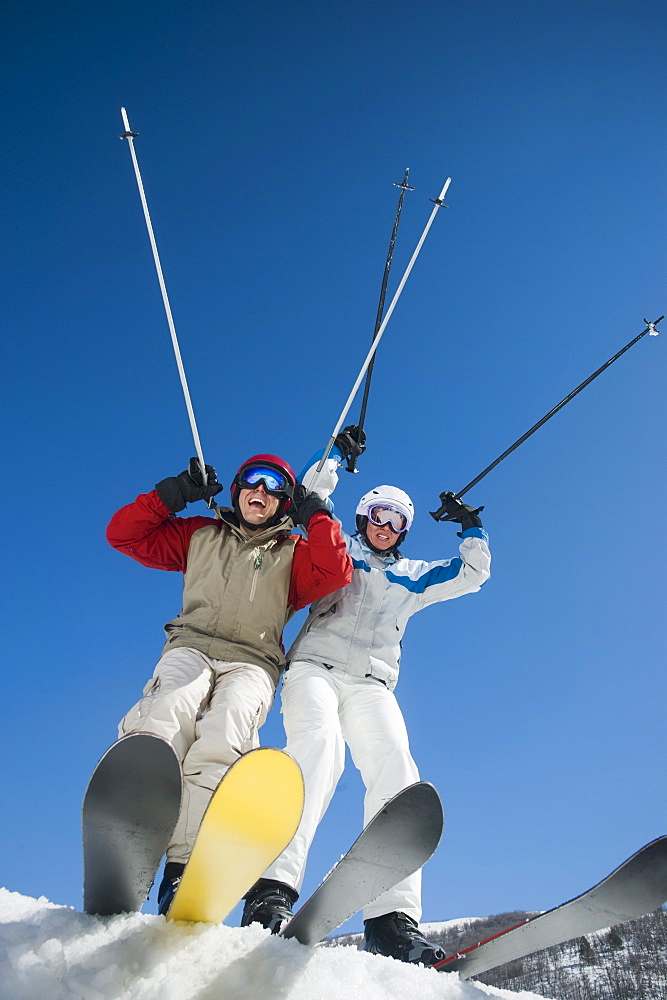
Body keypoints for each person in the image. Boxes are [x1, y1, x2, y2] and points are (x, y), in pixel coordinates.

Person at [241, 431, 491, 966]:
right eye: (378, 516)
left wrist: (470, 526)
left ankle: (391, 918)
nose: (386, 529)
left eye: (398, 522)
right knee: (319, 747)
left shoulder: (413, 577)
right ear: (362, 519)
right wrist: (336, 454)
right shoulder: (337, 549)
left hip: (372, 685)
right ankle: (271, 889)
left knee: (398, 772)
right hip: (315, 670)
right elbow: (310, 493)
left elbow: (473, 575)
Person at [106, 453, 353, 915]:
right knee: (165, 718)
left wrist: (316, 514)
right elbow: (124, 534)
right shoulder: (199, 534)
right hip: (190, 648)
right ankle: (132, 844)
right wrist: (170, 496)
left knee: (223, 741)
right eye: (252, 483)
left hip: (252, 664)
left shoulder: (294, 552)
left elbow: (336, 570)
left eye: (275, 487)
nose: (261, 492)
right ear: (238, 489)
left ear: (285, 503)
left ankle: (184, 872)